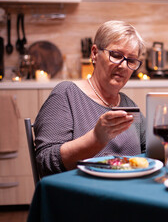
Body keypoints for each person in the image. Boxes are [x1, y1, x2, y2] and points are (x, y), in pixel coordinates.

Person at [34, 20, 146, 177]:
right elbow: (45, 163)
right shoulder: (66, 94)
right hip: (84, 195)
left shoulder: (128, 104)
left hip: (130, 193)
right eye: (116, 55)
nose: (123, 66)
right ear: (94, 53)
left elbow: (152, 152)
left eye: (131, 60)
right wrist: (96, 138)